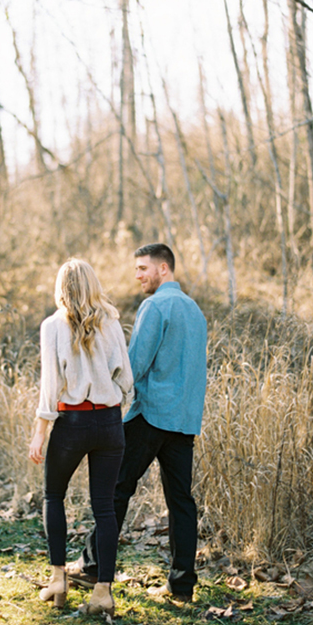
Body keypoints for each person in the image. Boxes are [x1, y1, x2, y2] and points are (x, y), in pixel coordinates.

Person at [70, 243, 207, 603]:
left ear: (164, 269)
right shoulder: (196, 312)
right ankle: (182, 588)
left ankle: (92, 568)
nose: (138, 276)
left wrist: (112, 401)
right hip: (184, 421)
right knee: (181, 502)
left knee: (115, 488)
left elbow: (135, 364)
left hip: (150, 416)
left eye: (144, 268)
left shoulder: (155, 306)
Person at [29, 258, 133, 615]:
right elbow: (126, 380)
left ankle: (58, 579)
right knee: (105, 508)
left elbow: (49, 387)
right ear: (92, 285)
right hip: (108, 423)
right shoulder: (112, 323)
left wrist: (39, 433)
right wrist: (112, 403)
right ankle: (102, 592)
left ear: (61, 287)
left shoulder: (52, 326)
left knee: (53, 496)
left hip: (71, 423)